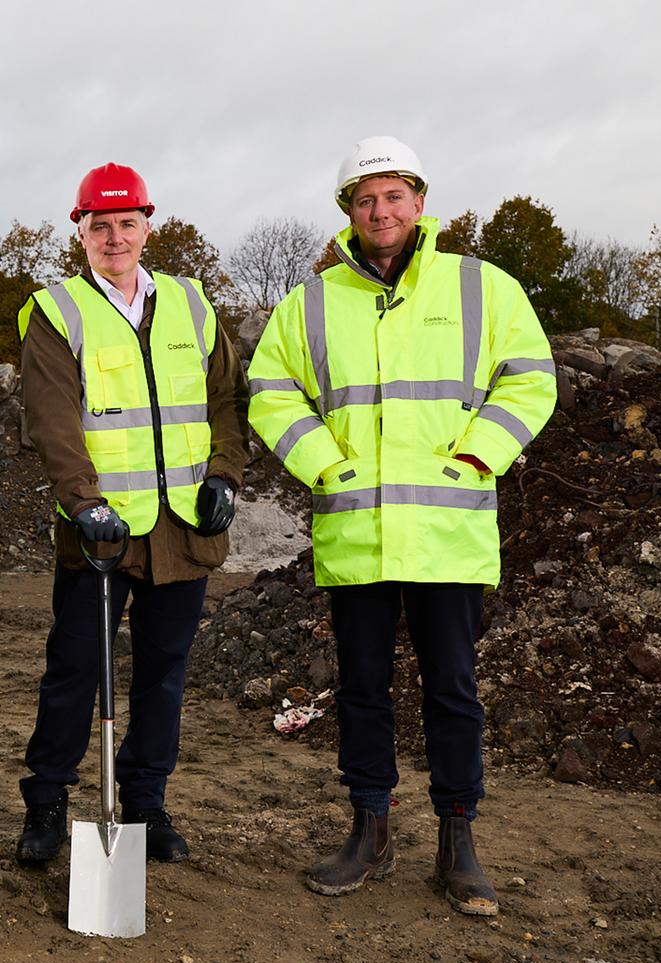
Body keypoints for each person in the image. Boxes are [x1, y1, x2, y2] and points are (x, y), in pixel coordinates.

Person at [249, 136, 557, 915]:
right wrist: (325, 464)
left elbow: (529, 378)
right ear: (347, 211)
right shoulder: (311, 302)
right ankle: (369, 832)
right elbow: (270, 390)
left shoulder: (481, 287)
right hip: (356, 532)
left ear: (419, 202)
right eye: (364, 199)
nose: (379, 211)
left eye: (392, 196)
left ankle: (458, 842)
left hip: (447, 533)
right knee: (361, 689)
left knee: (452, 689)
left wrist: (477, 456)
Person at [13, 163, 248, 866]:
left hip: (183, 528)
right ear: (79, 232)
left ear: (147, 226)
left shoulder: (190, 303)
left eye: (126, 223)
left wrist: (225, 475)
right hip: (100, 535)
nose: (113, 237)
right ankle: (47, 801)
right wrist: (83, 503)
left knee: (163, 673)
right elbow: (52, 420)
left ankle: (145, 800)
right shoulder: (56, 311)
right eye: (99, 225)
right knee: (74, 670)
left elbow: (225, 400)